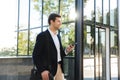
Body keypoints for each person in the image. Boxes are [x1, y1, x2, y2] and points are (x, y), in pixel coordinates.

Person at [32, 13, 74, 80]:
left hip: (59, 68)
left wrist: (67, 50)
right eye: (58, 21)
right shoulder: (42, 36)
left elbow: (59, 54)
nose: (60, 23)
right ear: (52, 22)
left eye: (61, 21)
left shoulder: (58, 36)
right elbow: (35, 55)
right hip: (48, 70)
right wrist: (42, 70)